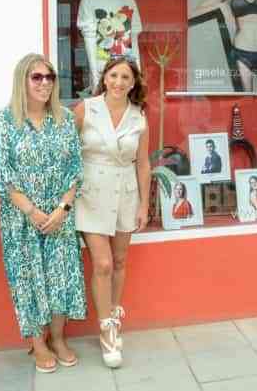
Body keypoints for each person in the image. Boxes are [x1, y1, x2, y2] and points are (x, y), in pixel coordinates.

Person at [0, 54, 85, 373]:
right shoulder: (6, 121)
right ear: (23, 81)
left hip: (59, 215)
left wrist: (62, 208)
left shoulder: (65, 119)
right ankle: (37, 343)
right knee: (27, 279)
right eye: (37, 77)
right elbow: (1, 173)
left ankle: (57, 338)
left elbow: (76, 168)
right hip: (21, 218)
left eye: (50, 77)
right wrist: (31, 211)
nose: (45, 83)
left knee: (61, 276)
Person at [74, 55, 150, 368]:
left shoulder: (138, 116)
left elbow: (143, 163)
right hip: (90, 193)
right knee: (102, 264)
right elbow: (68, 152)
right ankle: (105, 331)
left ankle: (115, 318)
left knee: (119, 261)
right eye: (114, 75)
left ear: (133, 84)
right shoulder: (86, 109)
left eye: (125, 78)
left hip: (125, 193)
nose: (119, 82)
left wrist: (144, 204)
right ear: (104, 78)